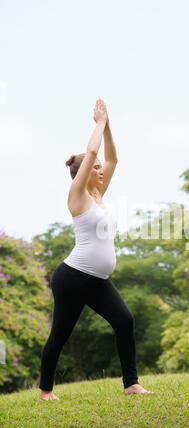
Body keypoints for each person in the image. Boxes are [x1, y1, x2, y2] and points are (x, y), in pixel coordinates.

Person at [39, 99, 154, 400]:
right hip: (73, 277)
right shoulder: (77, 196)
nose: (102, 170)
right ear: (84, 172)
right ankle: (46, 391)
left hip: (98, 280)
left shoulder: (99, 193)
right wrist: (98, 122)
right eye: (97, 168)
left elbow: (113, 159)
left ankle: (131, 384)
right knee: (61, 335)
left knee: (124, 321)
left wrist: (109, 127)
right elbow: (91, 153)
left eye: (102, 169)